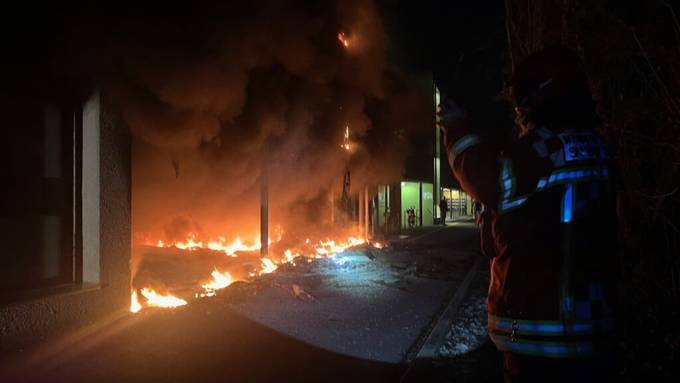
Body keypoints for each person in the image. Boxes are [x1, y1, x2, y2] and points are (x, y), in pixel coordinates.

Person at [438, 46, 619, 382]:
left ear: (542, 97)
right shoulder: (596, 146)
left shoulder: (546, 148)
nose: (520, 114)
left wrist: (456, 129)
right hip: (592, 325)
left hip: (542, 334)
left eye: (522, 103)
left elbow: (488, 179)